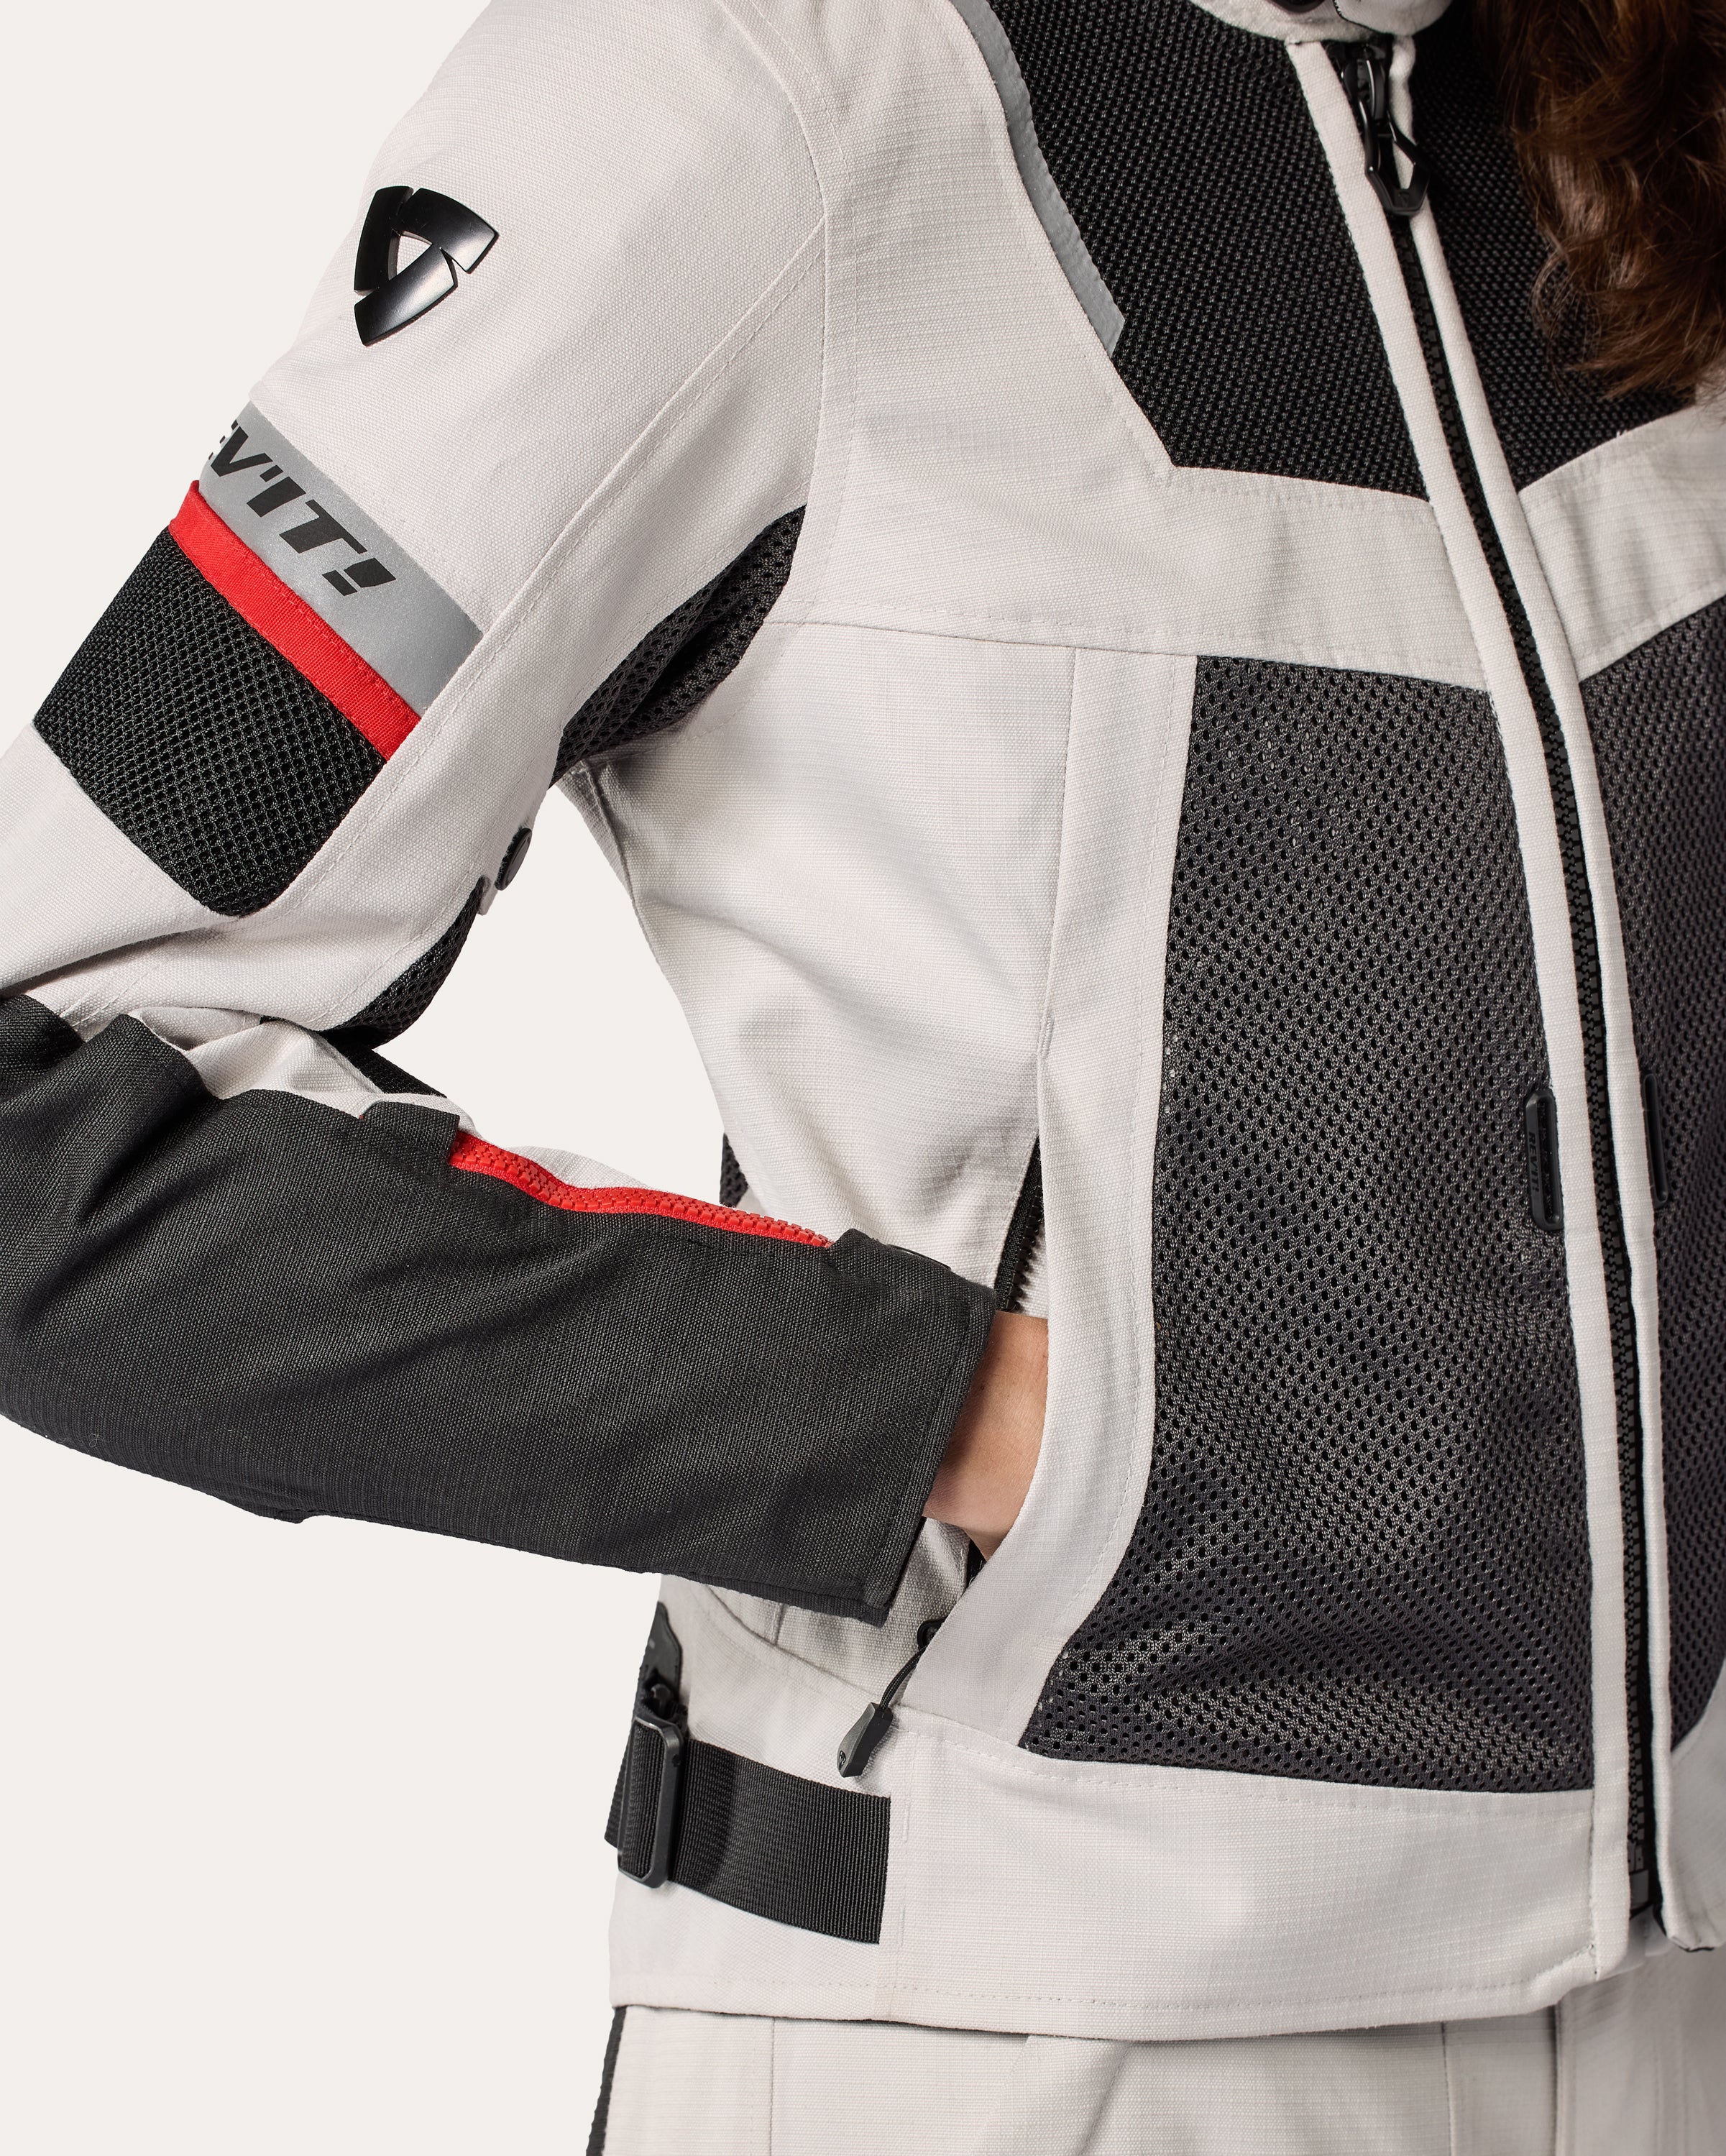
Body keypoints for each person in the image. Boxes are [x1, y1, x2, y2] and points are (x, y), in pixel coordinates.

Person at [2, 0, 1723, 2147]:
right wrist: (984, 1422)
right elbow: (40, 1112)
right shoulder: (727, 101)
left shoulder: (1636, 103)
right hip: (1026, 2017)